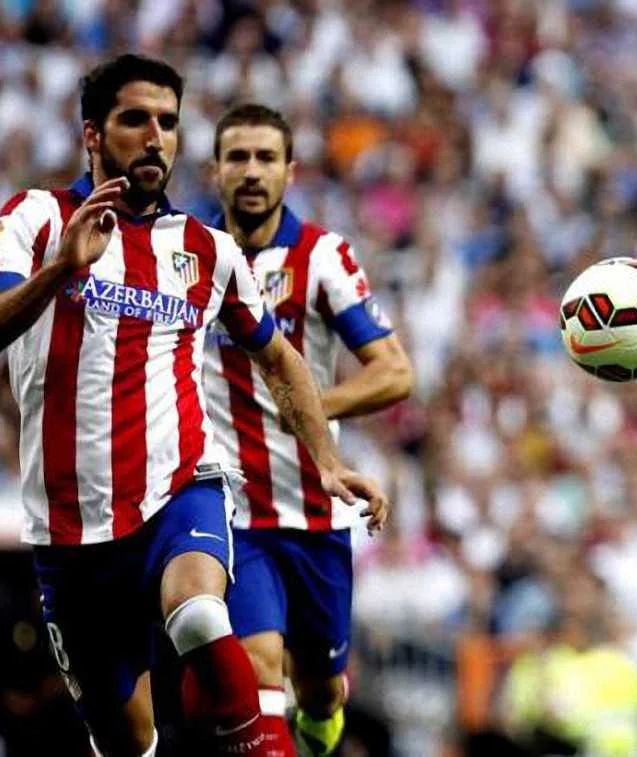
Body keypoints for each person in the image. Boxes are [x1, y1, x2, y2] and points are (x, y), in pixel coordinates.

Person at [0, 55, 387, 757]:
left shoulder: (206, 249)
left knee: (200, 615)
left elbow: (280, 357)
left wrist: (328, 461)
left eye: (168, 121)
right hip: (69, 527)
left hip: (178, 489)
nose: (154, 135)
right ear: (92, 135)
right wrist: (61, 269)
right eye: (135, 119)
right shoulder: (34, 217)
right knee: (127, 740)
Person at [203, 103, 413, 757]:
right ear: (214, 171)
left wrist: (308, 404)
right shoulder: (191, 257)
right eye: (238, 157)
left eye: (266, 158)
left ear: (290, 171)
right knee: (259, 661)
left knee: (320, 690)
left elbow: (394, 372)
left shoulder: (321, 256)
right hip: (231, 509)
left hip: (315, 510)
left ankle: (318, 729)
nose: (251, 171)